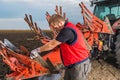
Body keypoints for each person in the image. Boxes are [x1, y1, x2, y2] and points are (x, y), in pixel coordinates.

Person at [30, 14, 91, 80]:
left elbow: (52, 44)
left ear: (60, 22)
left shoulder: (67, 31)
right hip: (71, 64)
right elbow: (56, 41)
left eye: (55, 27)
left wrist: (38, 50)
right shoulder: (67, 27)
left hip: (79, 64)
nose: (56, 29)